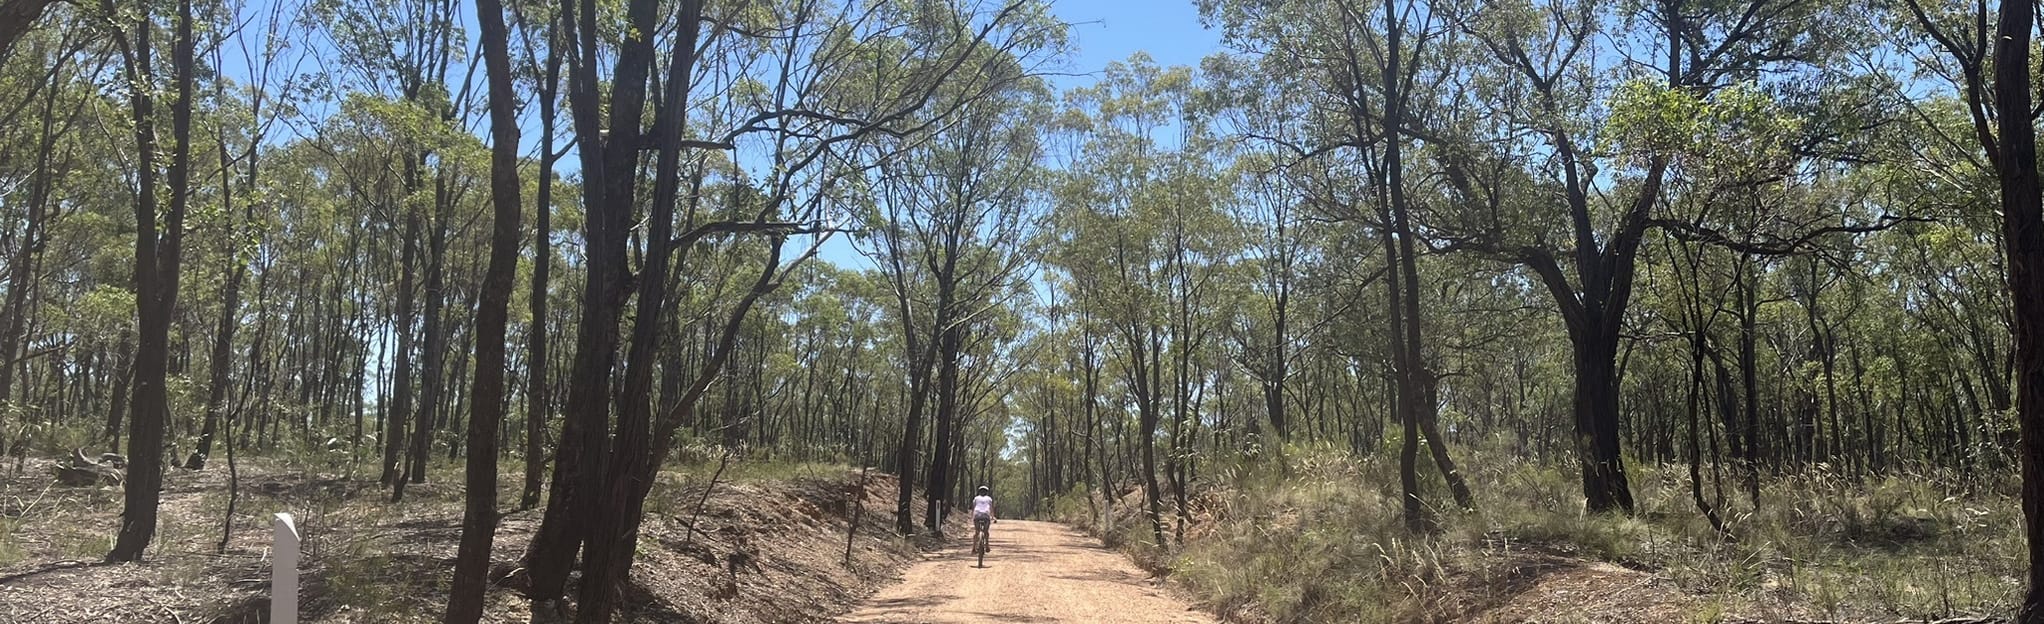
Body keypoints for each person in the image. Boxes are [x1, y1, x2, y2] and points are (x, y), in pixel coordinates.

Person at [971, 485, 995, 551]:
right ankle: (987, 545)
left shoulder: (976, 498)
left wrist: (972, 517)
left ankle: (973, 548)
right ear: (986, 492)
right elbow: (991, 509)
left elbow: (973, 508)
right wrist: (993, 517)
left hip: (977, 516)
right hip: (986, 516)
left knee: (977, 532)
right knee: (986, 531)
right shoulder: (989, 499)